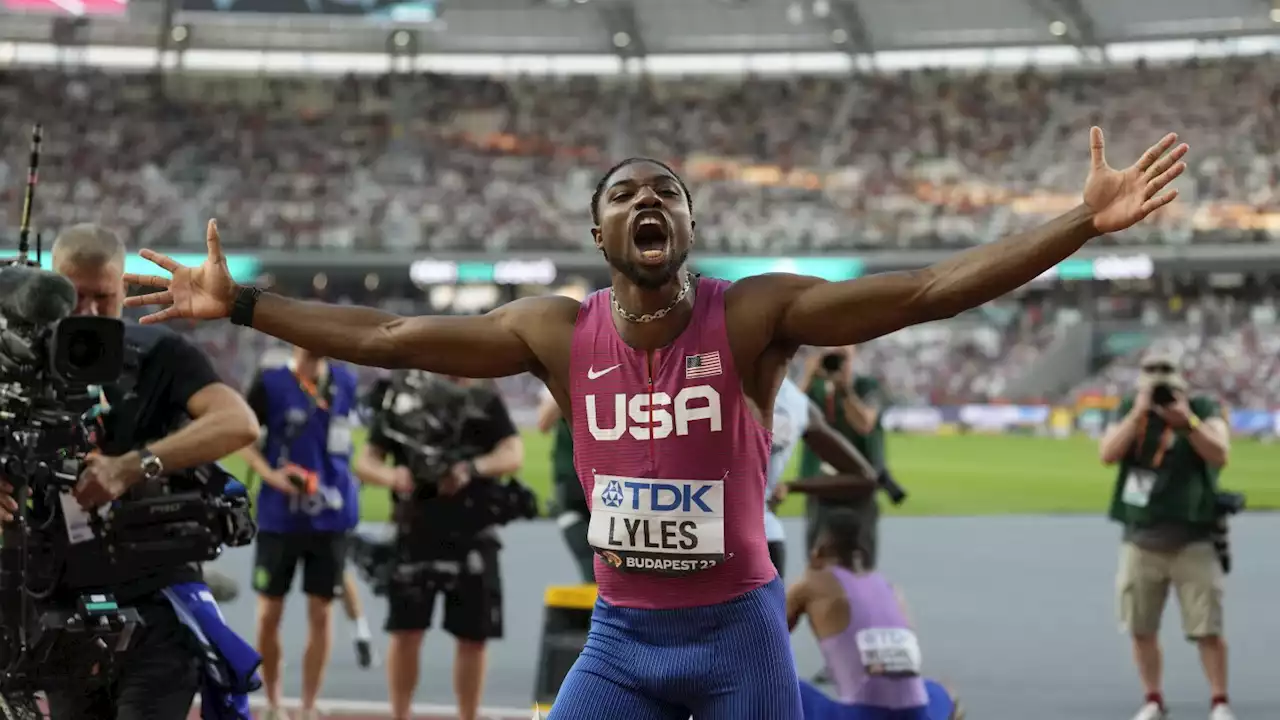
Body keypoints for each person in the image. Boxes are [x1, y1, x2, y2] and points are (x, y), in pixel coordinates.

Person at [124, 127, 1188, 719]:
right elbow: (397, 333)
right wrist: (248, 306)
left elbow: (924, 294)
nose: (649, 200)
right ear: (596, 228)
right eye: (627, 191)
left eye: (667, 193)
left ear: (685, 225)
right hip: (621, 643)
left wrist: (1075, 227)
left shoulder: (757, 314)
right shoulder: (552, 331)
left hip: (737, 641)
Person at [0, 223, 260, 720]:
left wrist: (133, 466)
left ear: (126, 290)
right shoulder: (18, 367)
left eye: (104, 297)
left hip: (156, 605)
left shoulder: (158, 356)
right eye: (74, 297)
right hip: (58, 608)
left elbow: (238, 422)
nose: (90, 313)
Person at [352, 371, 524, 720]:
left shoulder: (482, 397)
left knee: (473, 637)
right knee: (405, 631)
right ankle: (400, 715)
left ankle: (469, 716)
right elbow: (366, 460)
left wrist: (472, 468)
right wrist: (393, 477)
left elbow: (513, 452)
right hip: (414, 529)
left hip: (474, 531)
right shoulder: (402, 398)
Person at [1098, 349, 1234, 720]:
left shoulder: (1203, 407)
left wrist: (1185, 422)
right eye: (1151, 371)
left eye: (1165, 371)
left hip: (1194, 538)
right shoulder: (1129, 407)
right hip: (1141, 538)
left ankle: (1219, 701)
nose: (1159, 379)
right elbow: (1107, 454)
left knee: (1207, 627)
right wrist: (1138, 413)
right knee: (1141, 627)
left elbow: (1220, 454)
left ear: (1180, 377)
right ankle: (1153, 698)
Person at [238, 346, 363, 720]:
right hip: (280, 516)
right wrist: (270, 474)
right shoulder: (270, 383)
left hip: (331, 515)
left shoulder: (345, 381)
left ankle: (309, 706)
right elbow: (242, 435)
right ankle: (274, 702)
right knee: (268, 613)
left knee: (322, 613)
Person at [787, 511, 962, 720]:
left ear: (819, 549)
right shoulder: (890, 589)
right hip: (915, 713)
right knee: (943, 691)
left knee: (771, 685)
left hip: (858, 715)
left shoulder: (813, 582)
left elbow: (761, 636)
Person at [766, 375, 881, 579]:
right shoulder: (796, 402)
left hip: (708, 523)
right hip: (760, 534)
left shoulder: (796, 403)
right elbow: (864, 476)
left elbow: (865, 476)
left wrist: (792, 486)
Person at [797, 345, 889, 565]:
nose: (837, 362)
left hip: (859, 483)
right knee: (817, 555)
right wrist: (809, 376)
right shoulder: (815, 389)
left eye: (842, 356)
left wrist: (845, 390)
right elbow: (788, 418)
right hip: (820, 483)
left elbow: (864, 424)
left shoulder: (867, 385)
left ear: (854, 355)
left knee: (862, 555)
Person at [537, 387, 595, 582]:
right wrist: (568, 383)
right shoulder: (561, 371)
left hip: (607, 481)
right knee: (588, 563)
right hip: (572, 482)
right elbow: (543, 423)